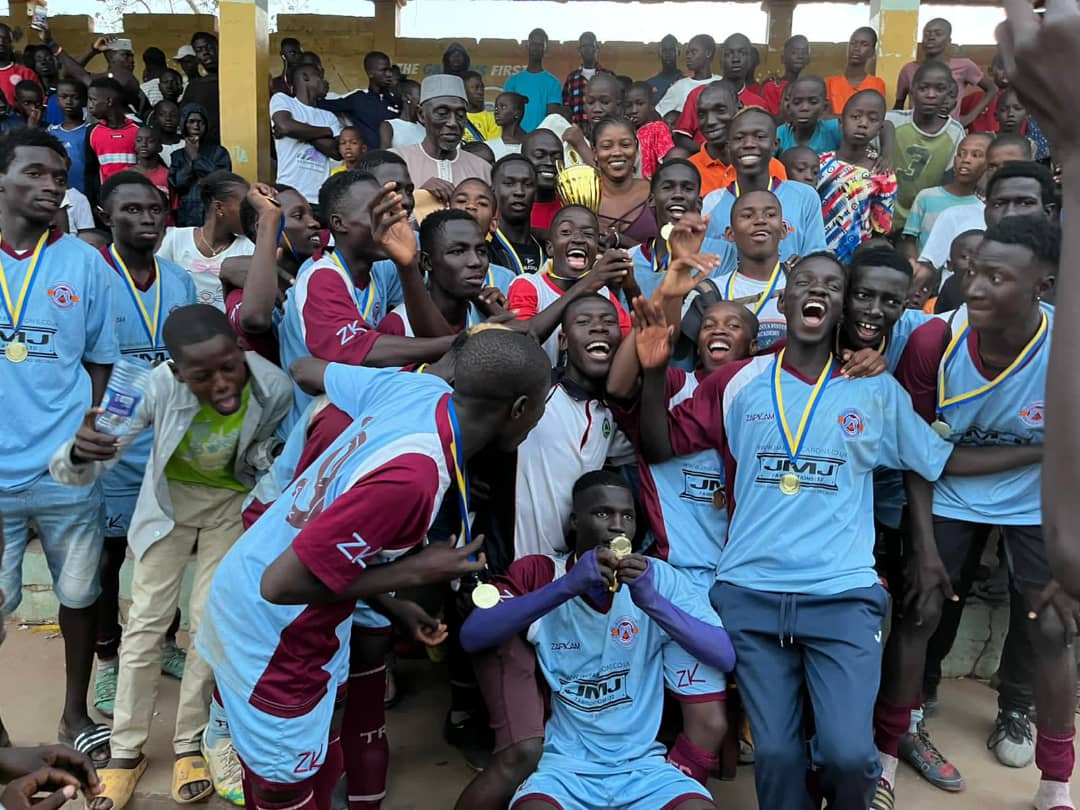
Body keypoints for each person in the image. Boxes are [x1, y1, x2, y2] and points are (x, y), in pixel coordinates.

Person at [195, 327, 549, 810]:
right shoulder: (413, 479)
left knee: (322, 766)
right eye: (543, 403)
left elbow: (310, 371)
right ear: (519, 409)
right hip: (273, 634)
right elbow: (282, 585)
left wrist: (394, 605)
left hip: (277, 593)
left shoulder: (417, 389)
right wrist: (414, 573)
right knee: (283, 794)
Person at [52, 302, 291, 810]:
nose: (224, 383)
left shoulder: (272, 386)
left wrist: (265, 459)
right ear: (176, 372)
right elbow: (90, 459)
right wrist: (79, 452)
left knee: (209, 624)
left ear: (240, 349)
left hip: (230, 507)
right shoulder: (148, 385)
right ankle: (125, 751)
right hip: (168, 508)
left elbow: (270, 450)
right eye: (202, 377)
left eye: (230, 366)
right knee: (144, 625)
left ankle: (190, 743)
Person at [869, 217, 1071, 810]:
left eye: (998, 277)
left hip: (1036, 498)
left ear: (1043, 285)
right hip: (947, 490)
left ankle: (1056, 785)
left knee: (1054, 625)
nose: (976, 288)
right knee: (919, 609)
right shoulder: (937, 340)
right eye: (973, 271)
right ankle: (886, 754)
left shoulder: (1064, 347)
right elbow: (920, 454)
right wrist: (925, 548)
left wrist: (1068, 553)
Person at [461, 470, 731, 810]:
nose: (618, 525)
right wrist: (568, 586)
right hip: (563, 770)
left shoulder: (656, 578)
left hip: (644, 768)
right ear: (575, 521)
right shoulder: (542, 572)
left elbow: (724, 655)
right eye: (603, 513)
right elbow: (473, 635)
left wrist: (652, 603)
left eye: (628, 516)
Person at [0, 126, 118, 774]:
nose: (51, 185)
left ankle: (75, 714)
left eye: (58, 175)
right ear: (2, 177)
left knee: (79, 593)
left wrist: (92, 421)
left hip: (65, 467)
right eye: (35, 173)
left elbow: (102, 357)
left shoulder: (82, 262)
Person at [86, 172, 198, 727]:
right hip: (111, 446)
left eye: (155, 209)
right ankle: (108, 657)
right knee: (108, 557)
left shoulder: (178, 280)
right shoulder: (90, 276)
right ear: (108, 216)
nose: (148, 219)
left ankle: (166, 637)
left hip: (168, 444)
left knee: (166, 552)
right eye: (132, 210)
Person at [278, 171, 456, 428]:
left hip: (361, 416)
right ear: (340, 223)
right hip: (314, 427)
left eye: (389, 213)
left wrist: (407, 266)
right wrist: (457, 343)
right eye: (375, 214)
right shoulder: (321, 275)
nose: (388, 223)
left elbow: (431, 336)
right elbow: (358, 349)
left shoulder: (377, 268)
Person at [702, 108, 826, 271]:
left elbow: (817, 260)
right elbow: (709, 264)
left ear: (775, 144)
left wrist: (803, 265)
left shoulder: (805, 197)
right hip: (730, 294)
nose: (749, 144)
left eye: (760, 137)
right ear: (729, 147)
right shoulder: (712, 203)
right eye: (739, 138)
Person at [507, 205, 632, 363]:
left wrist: (630, 287)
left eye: (588, 234)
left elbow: (629, 350)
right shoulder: (529, 285)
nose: (578, 239)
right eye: (566, 232)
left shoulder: (604, 294)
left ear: (595, 250)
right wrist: (587, 284)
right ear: (550, 248)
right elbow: (520, 344)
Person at [931, 160, 1056, 309]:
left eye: (1025, 203)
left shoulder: (1071, 278)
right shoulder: (957, 285)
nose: (1010, 213)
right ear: (985, 212)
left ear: (1048, 212)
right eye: (999, 204)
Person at [918, 140, 1042, 270]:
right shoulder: (953, 216)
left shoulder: (1039, 222)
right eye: (993, 166)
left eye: (1010, 165)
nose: (1000, 172)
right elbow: (928, 269)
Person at [818, 89, 898, 264]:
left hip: (857, 260)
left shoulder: (882, 174)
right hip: (816, 255)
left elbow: (881, 229)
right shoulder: (819, 164)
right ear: (841, 122)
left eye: (872, 119)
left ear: (879, 129)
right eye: (855, 117)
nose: (863, 123)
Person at [886, 61, 966, 233]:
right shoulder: (892, 121)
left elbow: (949, 184)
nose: (931, 95)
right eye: (923, 88)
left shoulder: (954, 132)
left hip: (925, 220)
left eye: (939, 89)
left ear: (949, 92)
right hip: (885, 216)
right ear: (912, 90)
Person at [159, 170, 253, 309]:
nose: (250, 214)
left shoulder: (249, 248)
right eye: (245, 207)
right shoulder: (174, 240)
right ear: (219, 207)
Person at [391, 74, 491, 203]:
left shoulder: (482, 169)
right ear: (421, 115)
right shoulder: (396, 163)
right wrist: (420, 197)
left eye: (460, 115)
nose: (453, 123)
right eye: (442, 114)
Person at [689, 81, 787, 198]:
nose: (710, 121)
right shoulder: (689, 170)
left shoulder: (772, 166)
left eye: (720, 110)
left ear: (739, 107)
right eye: (701, 114)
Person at [671, 33, 770, 148]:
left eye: (742, 53)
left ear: (750, 59)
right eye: (729, 54)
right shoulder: (699, 94)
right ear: (720, 60)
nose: (736, 59)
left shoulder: (759, 104)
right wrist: (710, 153)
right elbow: (681, 138)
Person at [627, 158, 703, 303]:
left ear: (699, 203)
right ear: (651, 200)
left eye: (687, 189)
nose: (678, 195)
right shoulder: (631, 260)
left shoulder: (722, 254)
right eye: (668, 188)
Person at [902, 132, 991, 254]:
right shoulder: (927, 197)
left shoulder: (986, 208)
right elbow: (909, 240)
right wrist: (914, 263)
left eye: (976, 155)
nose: (965, 160)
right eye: (961, 154)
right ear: (954, 161)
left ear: (989, 164)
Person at [896, 18, 997, 124]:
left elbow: (992, 89)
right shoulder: (908, 69)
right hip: (916, 131)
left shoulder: (964, 66)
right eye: (927, 34)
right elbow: (898, 105)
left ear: (949, 41)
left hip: (950, 132)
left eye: (938, 34)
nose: (931, 37)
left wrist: (969, 117)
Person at [271, 62, 341, 203]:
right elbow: (285, 126)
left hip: (319, 198)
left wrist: (297, 131)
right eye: (320, 78)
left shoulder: (328, 116)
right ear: (305, 77)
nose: (325, 82)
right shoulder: (282, 100)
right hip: (288, 194)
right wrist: (326, 132)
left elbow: (336, 152)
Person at [319, 51, 401, 151]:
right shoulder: (358, 99)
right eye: (383, 70)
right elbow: (323, 105)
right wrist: (318, 92)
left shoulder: (397, 101)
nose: (389, 74)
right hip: (366, 160)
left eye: (389, 70)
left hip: (394, 159)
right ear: (370, 73)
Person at [594, 117, 656, 248]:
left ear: (636, 148)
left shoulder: (655, 193)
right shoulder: (584, 197)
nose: (617, 152)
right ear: (595, 153)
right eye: (607, 146)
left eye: (625, 145)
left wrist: (620, 240)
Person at [169, 104, 233, 228]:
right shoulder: (177, 156)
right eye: (191, 121)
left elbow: (221, 179)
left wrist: (196, 158)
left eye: (200, 122)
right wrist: (189, 163)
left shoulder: (219, 152)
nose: (196, 126)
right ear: (184, 124)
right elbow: (177, 184)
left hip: (213, 212)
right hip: (185, 215)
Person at [487, 154, 544, 275]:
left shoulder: (549, 250)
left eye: (528, 184)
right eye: (509, 183)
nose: (519, 192)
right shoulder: (484, 249)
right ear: (492, 190)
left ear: (536, 193)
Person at [86, 77, 138, 194]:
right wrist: (94, 203)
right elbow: (91, 172)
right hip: (107, 198)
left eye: (92, 99)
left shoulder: (138, 130)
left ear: (109, 101)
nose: (89, 105)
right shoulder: (92, 132)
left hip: (134, 195)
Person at [505, 29, 562, 133]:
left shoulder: (553, 83)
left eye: (540, 45)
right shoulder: (513, 81)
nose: (536, 48)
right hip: (515, 140)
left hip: (541, 140)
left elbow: (552, 118)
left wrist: (537, 138)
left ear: (546, 49)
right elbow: (507, 114)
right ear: (527, 46)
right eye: (533, 44)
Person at [825, 27, 887, 116]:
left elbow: (875, 117)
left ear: (872, 52)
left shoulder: (877, 84)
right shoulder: (829, 83)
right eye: (853, 43)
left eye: (864, 44)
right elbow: (824, 118)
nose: (856, 48)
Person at [776, 76, 842, 155]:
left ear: (825, 107)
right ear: (788, 107)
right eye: (797, 102)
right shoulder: (780, 134)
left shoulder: (835, 130)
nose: (804, 108)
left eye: (813, 102)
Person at [656, 34, 716, 119]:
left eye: (693, 52)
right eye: (687, 53)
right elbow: (658, 114)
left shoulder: (721, 83)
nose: (688, 56)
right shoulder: (679, 86)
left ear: (708, 53)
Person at [624, 81, 674, 180]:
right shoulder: (627, 131)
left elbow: (667, 162)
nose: (634, 110)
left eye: (640, 104)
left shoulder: (658, 128)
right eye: (628, 105)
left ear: (652, 105)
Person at [47, 79, 88, 195]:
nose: (69, 101)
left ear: (84, 100)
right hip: (58, 195)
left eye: (74, 97)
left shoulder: (91, 131)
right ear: (57, 100)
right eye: (64, 97)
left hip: (86, 194)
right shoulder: (51, 132)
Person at [562, 32, 612, 126]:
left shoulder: (608, 76)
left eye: (590, 46)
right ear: (579, 50)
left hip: (604, 130)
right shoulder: (571, 79)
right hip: (579, 132)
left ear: (597, 48)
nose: (587, 49)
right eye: (584, 46)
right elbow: (566, 108)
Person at [179, 33, 220, 143]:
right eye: (199, 50)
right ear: (196, 57)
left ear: (219, 48)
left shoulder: (237, 79)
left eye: (209, 47)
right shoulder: (194, 87)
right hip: (206, 149)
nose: (205, 53)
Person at [522, 128, 563, 234]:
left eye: (556, 157)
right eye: (539, 155)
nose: (549, 162)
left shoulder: (572, 207)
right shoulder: (505, 209)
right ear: (523, 159)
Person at [130, 126, 174, 221]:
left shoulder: (168, 175)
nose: (144, 144)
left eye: (150, 141)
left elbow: (174, 208)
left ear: (160, 147)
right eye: (139, 140)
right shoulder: (126, 175)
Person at [760, 35, 810, 116]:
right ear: (783, 59)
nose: (799, 57)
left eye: (804, 53)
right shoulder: (772, 87)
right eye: (794, 53)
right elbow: (770, 119)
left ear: (808, 59)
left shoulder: (813, 87)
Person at [0, 23, 41, 107]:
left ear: (11, 44)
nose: (1, 42)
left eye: (6, 39)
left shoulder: (26, 73)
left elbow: (38, 105)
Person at [378, 78, 423, 148]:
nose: (423, 99)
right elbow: (385, 155)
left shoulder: (424, 128)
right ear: (407, 98)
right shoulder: (389, 126)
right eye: (420, 94)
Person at [462, 70, 499, 143]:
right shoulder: (455, 117)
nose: (480, 91)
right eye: (476, 88)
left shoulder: (493, 119)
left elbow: (493, 149)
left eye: (482, 87)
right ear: (463, 90)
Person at [488, 92, 526, 161]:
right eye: (496, 107)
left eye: (503, 107)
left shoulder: (529, 145)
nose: (496, 111)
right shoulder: (489, 147)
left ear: (517, 113)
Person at [646, 35, 682, 104]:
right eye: (664, 50)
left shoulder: (686, 81)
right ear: (660, 54)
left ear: (678, 53)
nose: (668, 54)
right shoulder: (649, 84)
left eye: (671, 50)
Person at [152, 98, 184, 164]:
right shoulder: (150, 147)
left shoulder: (187, 145)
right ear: (155, 118)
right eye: (162, 114)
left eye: (173, 115)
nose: (168, 118)